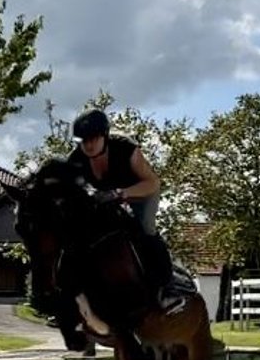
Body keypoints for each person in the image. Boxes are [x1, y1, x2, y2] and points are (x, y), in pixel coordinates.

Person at [64, 109, 197, 340]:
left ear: (105, 135)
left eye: (94, 138)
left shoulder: (126, 150)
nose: (89, 144)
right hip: (105, 198)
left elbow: (152, 183)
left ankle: (168, 289)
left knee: (145, 228)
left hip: (140, 192)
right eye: (84, 140)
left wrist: (120, 193)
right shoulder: (75, 160)